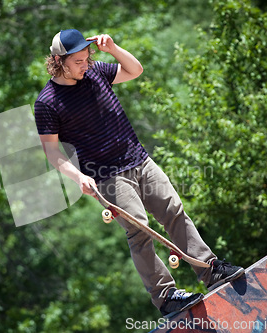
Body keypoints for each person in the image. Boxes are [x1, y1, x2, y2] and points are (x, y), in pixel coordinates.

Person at [34, 29, 244, 318]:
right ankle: (166, 296)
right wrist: (78, 176)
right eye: (79, 61)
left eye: (87, 58)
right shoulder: (47, 102)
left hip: (138, 158)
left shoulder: (96, 71)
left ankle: (210, 270)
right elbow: (52, 152)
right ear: (59, 61)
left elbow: (135, 70)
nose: (85, 65)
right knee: (139, 229)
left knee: (173, 209)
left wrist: (114, 49)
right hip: (106, 175)